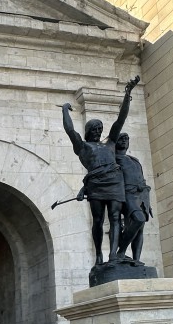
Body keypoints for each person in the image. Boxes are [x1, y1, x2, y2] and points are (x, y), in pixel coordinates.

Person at [61, 76, 139, 264]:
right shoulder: (83, 147)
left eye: (100, 129)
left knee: (115, 217)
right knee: (97, 220)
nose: (98, 131)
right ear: (88, 131)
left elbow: (121, 119)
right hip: (96, 184)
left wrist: (127, 94)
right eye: (94, 129)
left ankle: (113, 254)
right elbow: (70, 131)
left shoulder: (110, 143)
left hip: (115, 182)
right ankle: (98, 254)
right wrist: (65, 110)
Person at [115, 132, 152, 265]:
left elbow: (141, 178)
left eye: (126, 139)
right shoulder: (114, 159)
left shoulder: (134, 160)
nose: (124, 141)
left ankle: (136, 259)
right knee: (138, 219)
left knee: (140, 227)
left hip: (142, 195)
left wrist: (147, 200)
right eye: (121, 139)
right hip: (127, 194)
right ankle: (121, 252)